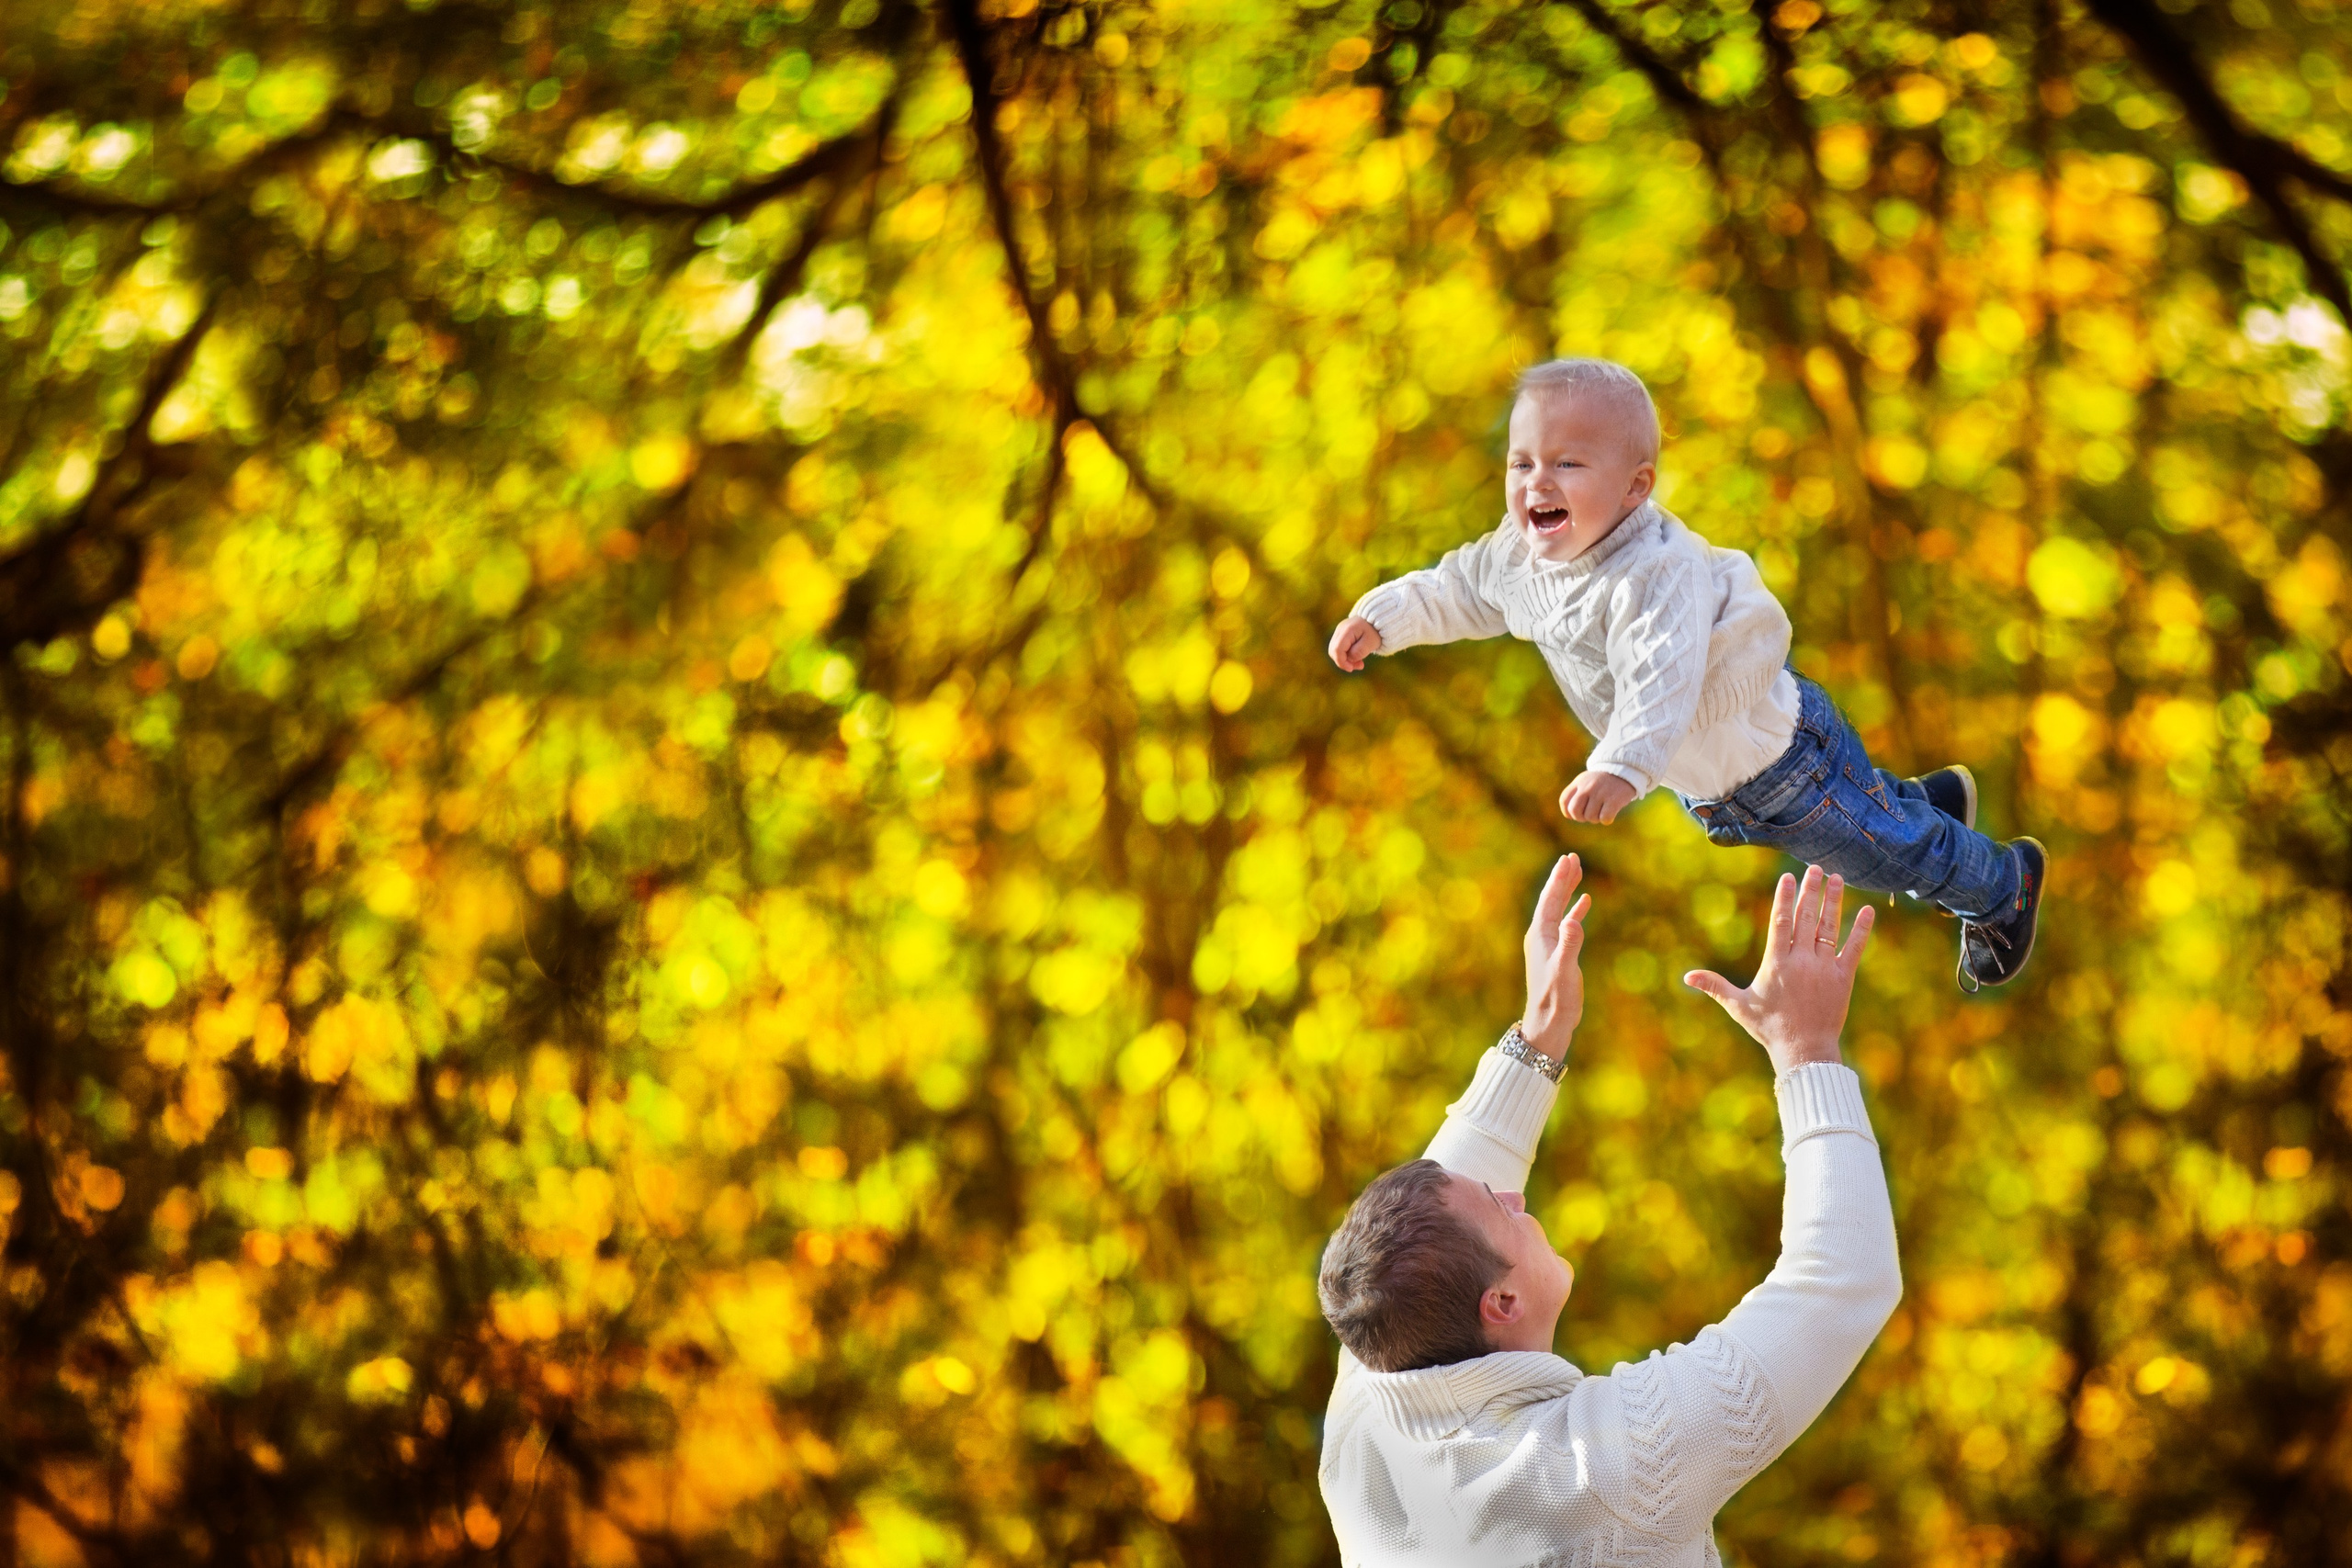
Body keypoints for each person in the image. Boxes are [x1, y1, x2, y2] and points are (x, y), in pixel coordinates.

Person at [1326, 357, 2045, 991]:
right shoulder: (1519, 556)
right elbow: (1457, 588)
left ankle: (1998, 886)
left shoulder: (1654, 570)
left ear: (1636, 487)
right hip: (1723, 778)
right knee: (1870, 824)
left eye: (1569, 464)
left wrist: (1622, 764)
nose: (1538, 481)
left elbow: (1658, 674)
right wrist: (1383, 619)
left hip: (1781, 762)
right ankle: (1921, 806)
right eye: (1523, 463)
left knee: (1879, 856)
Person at [1317, 855, 1900, 1567]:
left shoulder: (1368, 1421)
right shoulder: (1605, 1471)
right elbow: (1841, 1277)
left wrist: (1538, 1036)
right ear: (1500, 1300)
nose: (1513, 1193)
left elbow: (1432, 1231)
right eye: (1501, 1213)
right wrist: (1807, 1051)